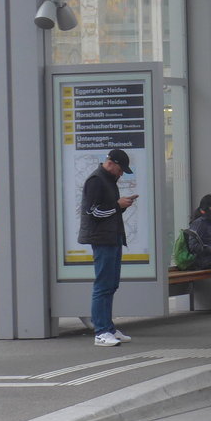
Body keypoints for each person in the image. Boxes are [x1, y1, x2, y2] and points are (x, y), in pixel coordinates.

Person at [79, 148, 137, 346]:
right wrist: (117, 205)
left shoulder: (108, 180)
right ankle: (101, 331)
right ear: (111, 163)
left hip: (112, 237)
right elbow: (93, 212)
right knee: (103, 285)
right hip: (102, 238)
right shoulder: (96, 180)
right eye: (120, 170)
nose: (121, 174)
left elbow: (105, 209)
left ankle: (108, 328)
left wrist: (120, 205)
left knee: (111, 284)